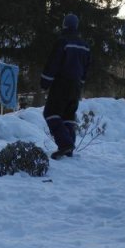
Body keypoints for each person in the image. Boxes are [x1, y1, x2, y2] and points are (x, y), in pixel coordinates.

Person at [40, 13, 91, 160]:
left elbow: (53, 63)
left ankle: (65, 144)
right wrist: (80, 83)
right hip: (76, 86)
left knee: (51, 113)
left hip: (61, 83)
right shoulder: (85, 46)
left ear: (64, 25)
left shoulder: (62, 42)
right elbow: (86, 67)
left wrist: (45, 82)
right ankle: (69, 148)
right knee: (68, 115)